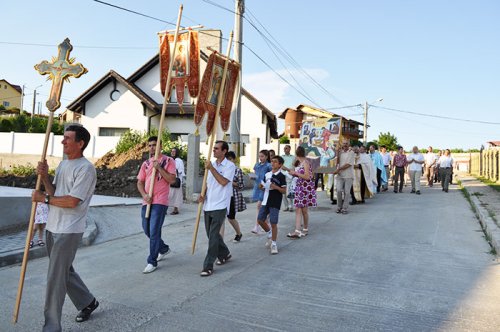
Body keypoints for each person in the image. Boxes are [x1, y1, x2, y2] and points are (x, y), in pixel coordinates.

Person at [32, 125, 99, 331]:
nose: (63, 142)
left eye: (68, 138)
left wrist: (44, 198)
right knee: (64, 272)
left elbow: (72, 202)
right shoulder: (62, 165)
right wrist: (44, 177)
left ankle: (51, 326)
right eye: (64, 138)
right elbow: (55, 192)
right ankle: (88, 302)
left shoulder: (86, 169)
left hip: (69, 230)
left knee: (55, 278)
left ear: (80, 143)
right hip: (53, 226)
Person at [137, 136, 177, 274]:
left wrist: (159, 167)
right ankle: (163, 248)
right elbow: (139, 182)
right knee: (146, 229)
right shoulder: (146, 163)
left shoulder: (168, 161)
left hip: (160, 201)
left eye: (154, 145)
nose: (152, 148)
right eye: (150, 145)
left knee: (154, 231)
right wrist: (144, 195)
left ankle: (152, 261)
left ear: (160, 146)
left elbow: (172, 179)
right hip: (147, 200)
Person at [198, 140, 235, 276]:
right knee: (211, 234)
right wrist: (203, 195)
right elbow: (208, 184)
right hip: (208, 204)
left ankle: (208, 265)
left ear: (224, 151)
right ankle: (224, 253)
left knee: (213, 235)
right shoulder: (211, 165)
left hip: (220, 205)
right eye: (213, 149)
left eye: (217, 149)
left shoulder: (230, 166)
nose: (214, 151)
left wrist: (212, 169)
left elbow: (223, 182)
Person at [256, 156, 287, 254]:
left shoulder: (281, 176)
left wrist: (275, 187)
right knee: (260, 220)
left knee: (274, 222)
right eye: (272, 161)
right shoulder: (267, 174)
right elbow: (264, 186)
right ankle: (269, 233)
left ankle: (274, 243)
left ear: (280, 165)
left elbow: (284, 191)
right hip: (265, 200)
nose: (272, 163)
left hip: (275, 201)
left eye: (275, 162)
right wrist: (261, 186)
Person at [287, 146, 317, 238]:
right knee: (300, 210)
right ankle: (301, 230)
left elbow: (308, 177)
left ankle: (302, 230)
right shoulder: (301, 163)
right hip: (300, 188)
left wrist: (295, 173)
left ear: (297, 154)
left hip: (304, 189)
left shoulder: (305, 163)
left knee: (302, 210)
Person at [219, 151, 245, 243]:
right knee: (221, 219)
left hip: (233, 197)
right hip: (222, 196)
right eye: (227, 159)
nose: (229, 161)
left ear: (234, 159)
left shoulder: (238, 170)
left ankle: (238, 233)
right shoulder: (222, 169)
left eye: (230, 159)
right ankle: (220, 242)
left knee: (231, 218)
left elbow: (241, 185)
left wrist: (230, 182)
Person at [251, 150, 272, 234]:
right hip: (257, 187)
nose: (260, 158)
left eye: (262, 156)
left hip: (265, 188)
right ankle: (265, 224)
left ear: (266, 156)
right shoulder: (257, 165)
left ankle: (257, 226)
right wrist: (253, 177)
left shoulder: (269, 166)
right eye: (259, 156)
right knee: (261, 207)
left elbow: (271, 176)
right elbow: (256, 174)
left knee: (259, 206)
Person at [333, 141, 355, 214]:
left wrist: (338, 169)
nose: (345, 145)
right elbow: (336, 162)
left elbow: (348, 164)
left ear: (349, 144)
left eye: (346, 143)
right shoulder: (340, 152)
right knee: (338, 190)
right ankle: (339, 207)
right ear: (342, 144)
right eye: (344, 143)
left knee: (347, 192)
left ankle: (344, 208)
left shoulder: (351, 153)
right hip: (340, 175)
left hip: (348, 175)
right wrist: (337, 153)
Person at [168, 147, 185, 215]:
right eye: (172, 151)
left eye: (174, 151)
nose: (172, 152)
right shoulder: (170, 159)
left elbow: (181, 171)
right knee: (168, 194)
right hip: (170, 179)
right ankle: (165, 208)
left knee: (176, 195)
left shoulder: (179, 161)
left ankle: (176, 209)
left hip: (177, 180)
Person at [281, 144, 296, 212]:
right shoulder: (281, 157)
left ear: (290, 149)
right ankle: (286, 206)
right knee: (283, 192)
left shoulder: (293, 157)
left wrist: (288, 170)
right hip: (282, 175)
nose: (285, 149)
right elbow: (279, 165)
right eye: (284, 148)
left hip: (289, 175)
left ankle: (291, 206)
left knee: (288, 191)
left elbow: (294, 166)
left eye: (286, 148)